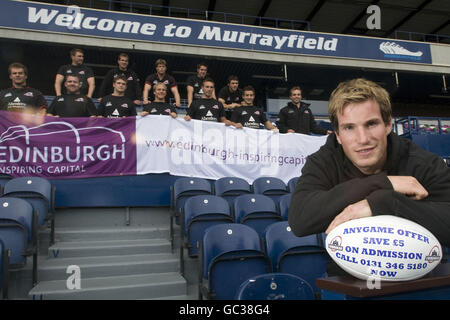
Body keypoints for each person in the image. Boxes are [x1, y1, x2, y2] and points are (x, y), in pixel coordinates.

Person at [288, 78, 450, 250]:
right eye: (349, 128)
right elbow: (300, 221)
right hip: (347, 273)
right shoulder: (324, 161)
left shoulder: (421, 162)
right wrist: (383, 183)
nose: (363, 139)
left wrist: (386, 203)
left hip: (419, 272)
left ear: (388, 125)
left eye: (371, 124)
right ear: (337, 135)